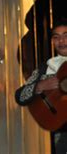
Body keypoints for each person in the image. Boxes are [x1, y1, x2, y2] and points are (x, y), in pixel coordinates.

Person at [15, 19, 67, 153]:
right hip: (60, 133)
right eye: (56, 37)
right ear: (52, 42)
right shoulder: (46, 68)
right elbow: (20, 96)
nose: (61, 41)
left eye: (66, 36)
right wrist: (39, 85)